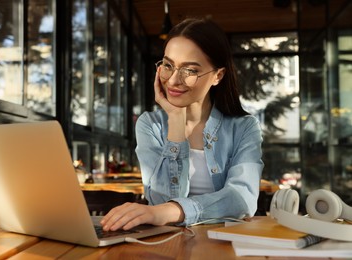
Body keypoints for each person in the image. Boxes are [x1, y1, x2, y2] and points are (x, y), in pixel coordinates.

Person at [101, 18, 264, 231]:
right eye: (168, 66)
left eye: (190, 71)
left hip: (223, 244)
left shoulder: (243, 127)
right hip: (164, 243)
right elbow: (161, 199)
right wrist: (176, 120)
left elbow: (242, 200)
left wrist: (171, 211)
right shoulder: (150, 125)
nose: (173, 80)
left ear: (218, 75)